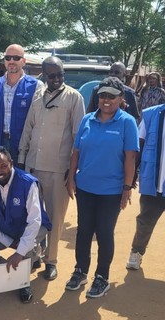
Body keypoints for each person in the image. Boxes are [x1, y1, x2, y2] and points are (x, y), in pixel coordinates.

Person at [65, 77, 139, 298]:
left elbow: (130, 158)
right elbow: (76, 152)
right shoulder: (87, 119)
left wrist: (127, 188)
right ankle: (80, 271)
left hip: (112, 190)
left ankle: (102, 277)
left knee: (104, 232)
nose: (106, 100)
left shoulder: (127, 122)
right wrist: (71, 178)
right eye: (102, 96)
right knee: (84, 230)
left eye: (111, 96)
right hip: (86, 187)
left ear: (121, 99)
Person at [18, 56, 85, 281]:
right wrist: (21, 157)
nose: (56, 79)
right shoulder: (38, 95)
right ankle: (35, 253)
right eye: (51, 75)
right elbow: (29, 127)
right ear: (44, 76)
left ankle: (51, 260)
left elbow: (78, 136)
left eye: (60, 75)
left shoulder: (74, 98)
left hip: (59, 169)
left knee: (56, 218)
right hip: (33, 165)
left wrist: (73, 169)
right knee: (32, 215)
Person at [0, 146, 52, 303]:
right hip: (4, 230)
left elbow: (34, 221)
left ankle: (23, 282)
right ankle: (15, 273)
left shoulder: (28, 183)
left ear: (11, 163)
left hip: (30, 229)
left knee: (27, 248)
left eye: (3, 166)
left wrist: (19, 252)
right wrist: (10, 243)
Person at [0, 44, 43, 165]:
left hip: (22, 146)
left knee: (20, 181)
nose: (11, 61)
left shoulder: (36, 86)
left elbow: (38, 120)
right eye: (8, 58)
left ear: (23, 61)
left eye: (16, 58)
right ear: (4, 61)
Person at [126, 103, 165, 270]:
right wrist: (132, 175)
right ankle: (137, 252)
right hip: (155, 183)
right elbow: (139, 146)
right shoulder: (151, 115)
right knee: (145, 220)